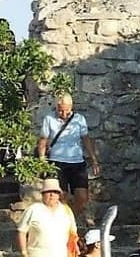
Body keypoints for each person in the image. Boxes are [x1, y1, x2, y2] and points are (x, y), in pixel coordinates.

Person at [36, 93, 100, 223]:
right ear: (56, 107)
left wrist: (94, 160)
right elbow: (43, 141)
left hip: (77, 162)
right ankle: (62, 223)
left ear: (71, 107)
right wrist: (42, 160)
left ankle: (70, 220)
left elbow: (86, 139)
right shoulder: (49, 119)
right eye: (60, 110)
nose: (63, 113)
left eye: (66, 110)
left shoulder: (79, 119)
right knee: (62, 197)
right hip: (57, 162)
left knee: (82, 197)